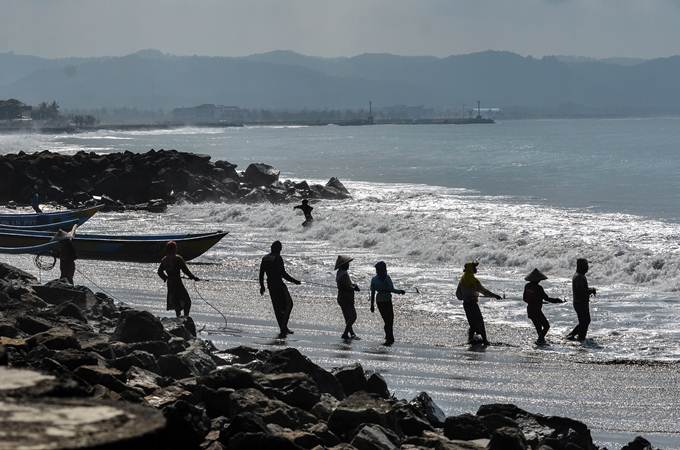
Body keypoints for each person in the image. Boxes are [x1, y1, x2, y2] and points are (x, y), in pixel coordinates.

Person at [259, 240, 301, 338]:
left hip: (270, 285)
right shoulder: (278, 258)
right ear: (279, 249)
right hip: (279, 285)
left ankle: (283, 328)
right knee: (289, 304)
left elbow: (261, 273)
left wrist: (262, 286)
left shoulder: (265, 258)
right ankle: (284, 327)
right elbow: (283, 274)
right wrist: (295, 281)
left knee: (277, 307)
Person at [455, 262, 502, 346]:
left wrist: (466, 296)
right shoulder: (474, 281)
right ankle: (485, 340)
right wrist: (495, 296)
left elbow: (458, 295)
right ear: (471, 269)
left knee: (472, 323)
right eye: (474, 268)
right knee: (480, 321)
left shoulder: (462, 280)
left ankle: (470, 339)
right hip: (473, 304)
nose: (476, 269)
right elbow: (485, 292)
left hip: (466, 304)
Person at [157, 241, 199, 317]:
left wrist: (165, 278)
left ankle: (178, 317)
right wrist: (193, 277)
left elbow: (159, 272)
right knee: (187, 301)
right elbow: (185, 270)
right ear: (174, 249)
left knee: (176, 301)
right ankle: (186, 317)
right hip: (177, 283)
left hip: (170, 283)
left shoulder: (164, 260)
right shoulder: (178, 259)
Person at [523, 268, 564, 344]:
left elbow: (524, 299)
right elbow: (547, 298)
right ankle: (539, 340)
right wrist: (556, 300)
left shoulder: (527, 286)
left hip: (530, 309)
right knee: (546, 326)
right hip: (537, 310)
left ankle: (541, 340)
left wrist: (534, 301)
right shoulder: (539, 288)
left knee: (538, 327)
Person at [370, 261, 405, 346]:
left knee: (386, 320)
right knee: (390, 320)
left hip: (379, 301)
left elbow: (373, 292)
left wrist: (372, 305)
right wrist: (400, 291)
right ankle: (390, 337)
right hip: (387, 301)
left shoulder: (374, 279)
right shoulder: (387, 278)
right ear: (384, 269)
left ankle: (389, 336)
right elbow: (391, 289)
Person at [567, 258, 597, 341]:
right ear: (581, 266)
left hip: (579, 302)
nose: (587, 267)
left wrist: (589, 290)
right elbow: (582, 291)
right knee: (585, 321)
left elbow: (582, 289)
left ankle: (576, 336)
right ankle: (578, 337)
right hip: (580, 303)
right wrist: (591, 290)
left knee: (584, 321)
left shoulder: (579, 276)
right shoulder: (579, 277)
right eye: (586, 265)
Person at [335, 255, 361, 340]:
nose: (348, 265)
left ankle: (352, 334)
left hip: (341, 297)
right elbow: (348, 287)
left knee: (347, 317)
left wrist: (352, 286)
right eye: (347, 264)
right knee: (353, 316)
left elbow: (345, 285)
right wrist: (355, 287)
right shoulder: (344, 274)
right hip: (346, 298)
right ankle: (345, 333)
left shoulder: (339, 272)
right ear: (343, 265)